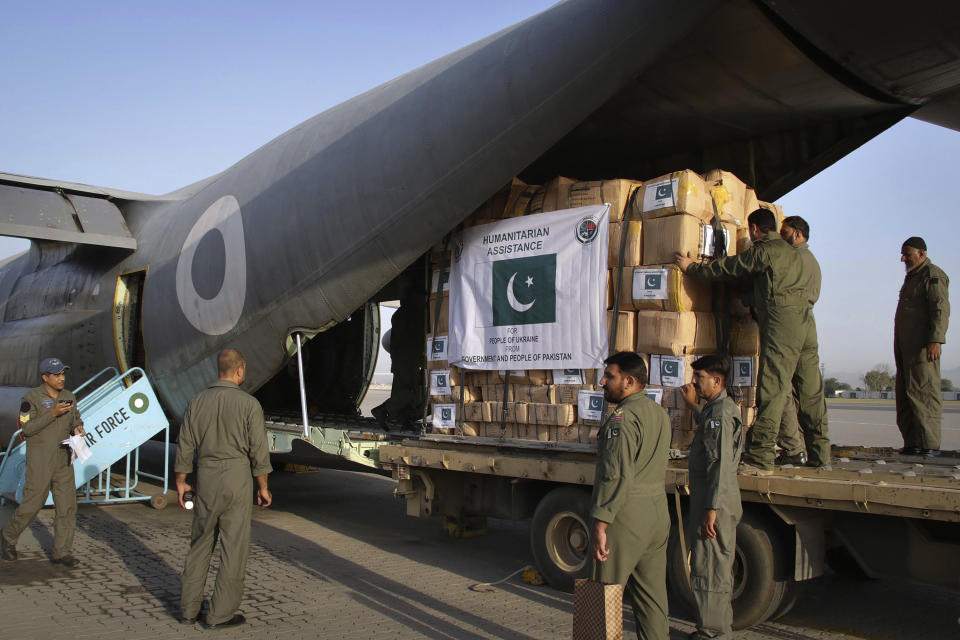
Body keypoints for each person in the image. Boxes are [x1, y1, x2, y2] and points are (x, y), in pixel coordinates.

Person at [676, 208, 809, 471]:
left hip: (780, 325)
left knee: (770, 387)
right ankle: (799, 449)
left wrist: (693, 268)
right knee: (788, 388)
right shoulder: (795, 255)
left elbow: (732, 268)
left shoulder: (765, 251)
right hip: (800, 323)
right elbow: (765, 284)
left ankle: (760, 457)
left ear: (756, 230)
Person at [176, 349, 273, 628]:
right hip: (236, 477)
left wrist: (182, 482)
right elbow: (259, 450)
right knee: (233, 548)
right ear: (240, 370)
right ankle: (220, 614)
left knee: (200, 544)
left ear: (218, 369)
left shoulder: (197, 402)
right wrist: (263, 486)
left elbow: (185, 445)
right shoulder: (249, 404)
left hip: (205, 477)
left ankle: (188, 610)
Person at [590, 351, 671, 640]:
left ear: (629, 381)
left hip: (625, 516)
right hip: (657, 514)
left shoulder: (622, 420)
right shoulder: (659, 413)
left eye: (609, 376)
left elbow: (616, 475)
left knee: (603, 598)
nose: (602, 381)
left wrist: (601, 522)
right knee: (652, 599)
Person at [679, 355, 743, 639]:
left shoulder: (720, 414)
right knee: (713, 564)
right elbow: (708, 426)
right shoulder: (716, 410)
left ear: (716, 381)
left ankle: (712, 633)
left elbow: (720, 464)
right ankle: (716, 628)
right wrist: (694, 406)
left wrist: (712, 508)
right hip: (714, 501)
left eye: (700, 377)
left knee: (710, 566)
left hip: (714, 503)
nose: (694, 382)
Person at [1, 357, 84, 566]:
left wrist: (78, 428)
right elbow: (26, 429)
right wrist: (52, 413)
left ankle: (62, 552)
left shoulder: (69, 397)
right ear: (45, 377)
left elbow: (76, 419)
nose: (61, 378)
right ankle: (7, 537)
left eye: (63, 374)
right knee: (32, 503)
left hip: (63, 460)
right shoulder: (31, 398)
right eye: (56, 375)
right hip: (40, 461)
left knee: (67, 507)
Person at [774, 216, 830, 467]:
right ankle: (820, 454)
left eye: (784, 232)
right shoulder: (813, 261)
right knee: (811, 394)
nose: (781, 237)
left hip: (789, 326)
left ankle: (793, 449)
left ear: (797, 234)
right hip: (808, 324)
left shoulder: (791, 259)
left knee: (780, 387)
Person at [895, 237, 950, 457]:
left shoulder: (932, 275)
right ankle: (913, 443)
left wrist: (936, 339)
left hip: (923, 346)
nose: (903, 258)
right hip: (905, 345)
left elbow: (940, 309)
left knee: (924, 393)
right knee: (906, 393)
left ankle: (929, 444)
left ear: (922, 254)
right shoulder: (912, 277)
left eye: (907, 254)